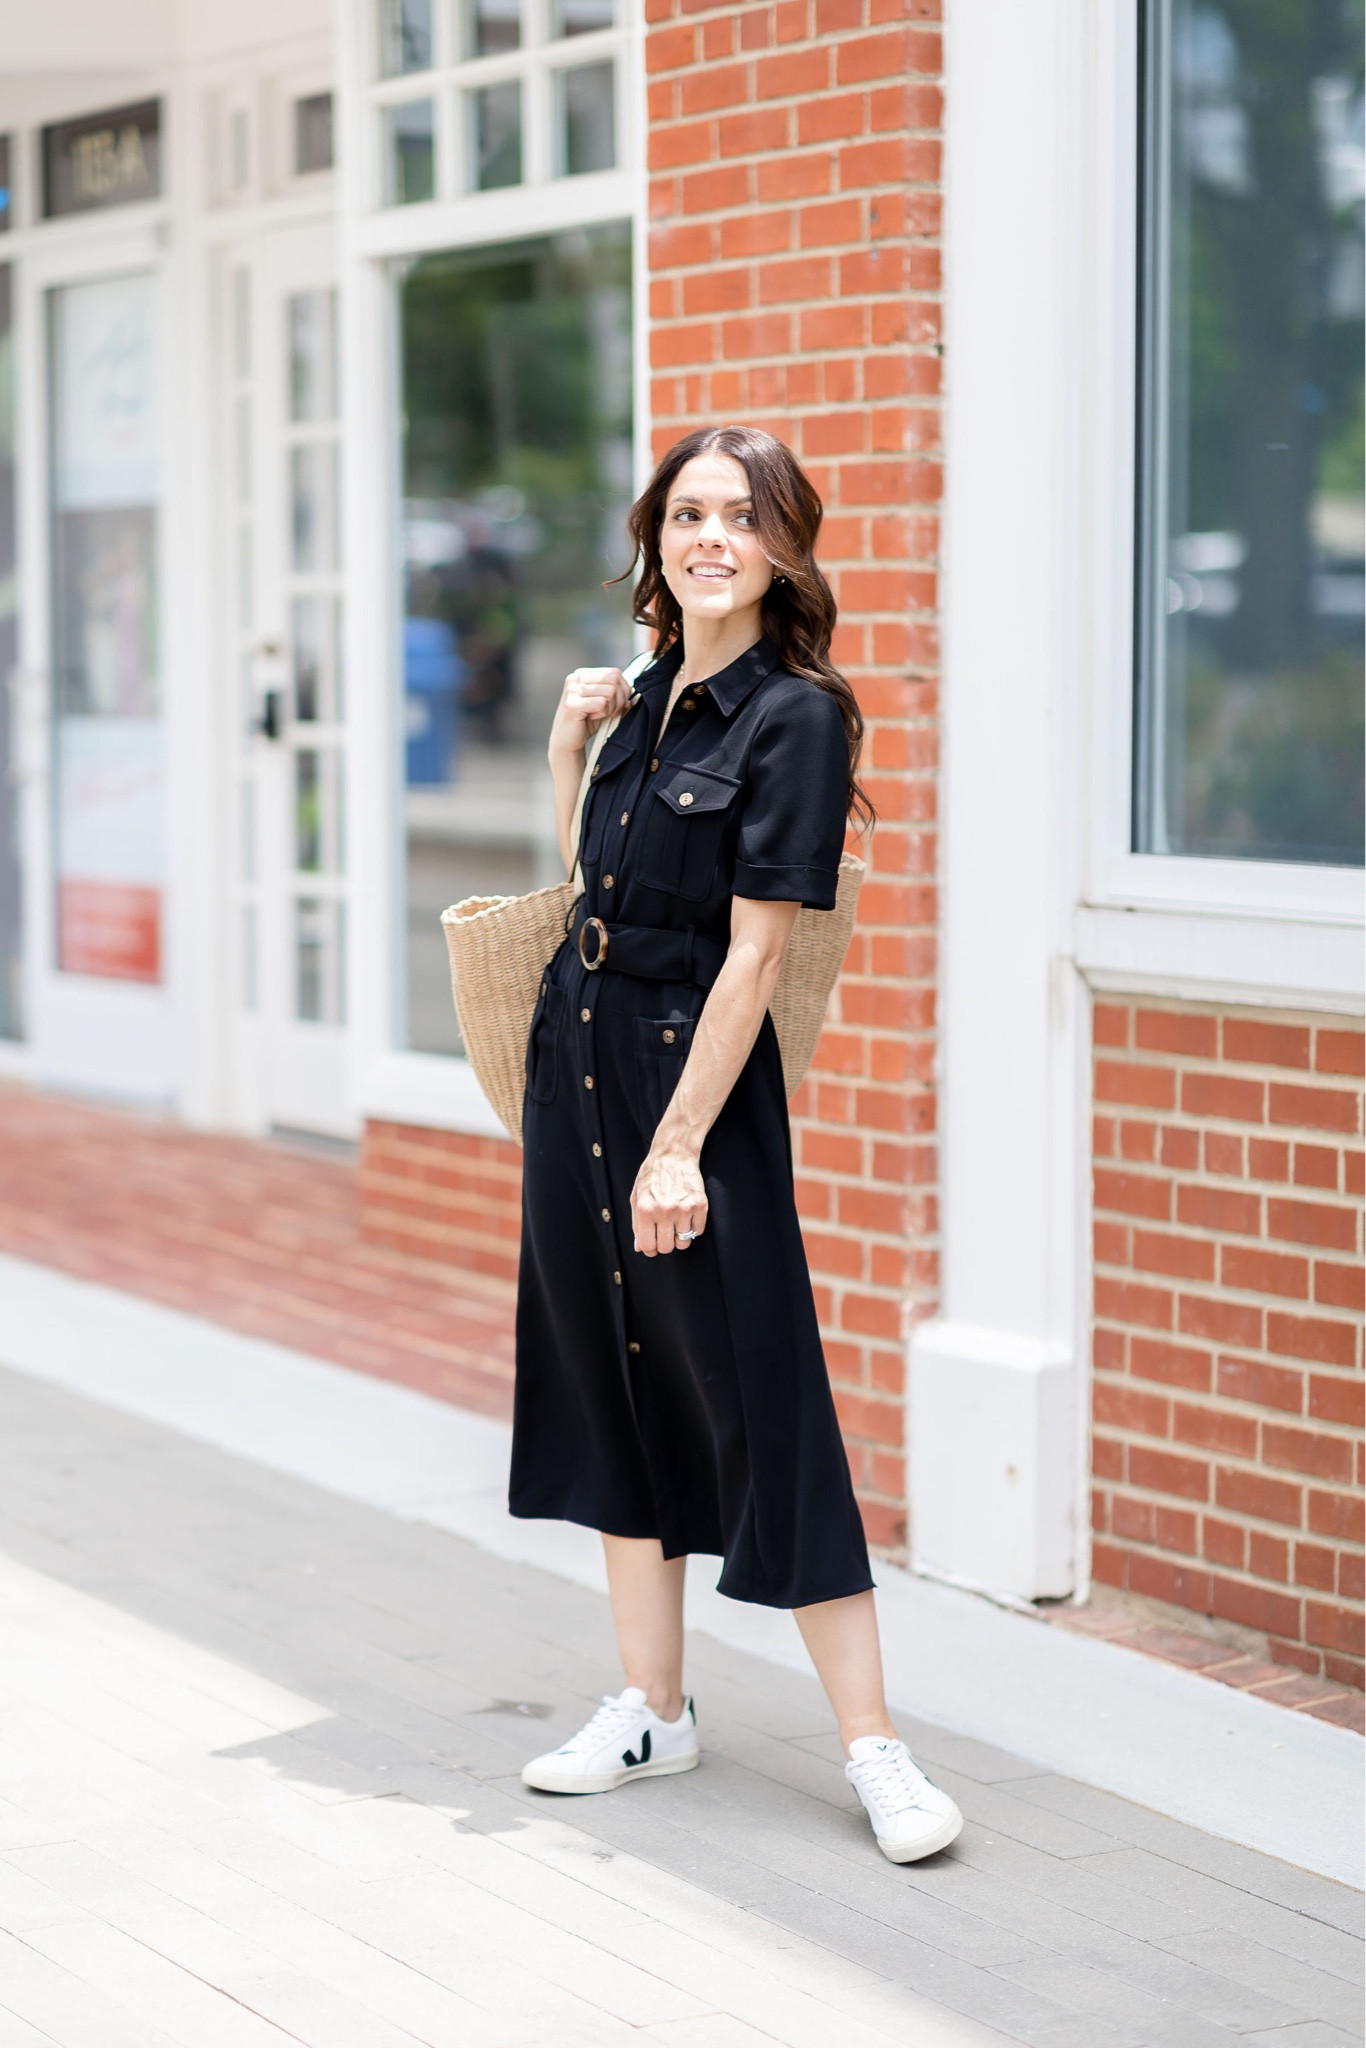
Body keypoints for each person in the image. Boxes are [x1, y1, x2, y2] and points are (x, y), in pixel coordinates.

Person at [511, 425, 962, 1866]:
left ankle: (875, 1749)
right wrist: (565, 745)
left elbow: (754, 958)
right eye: (685, 513)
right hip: (574, 1060)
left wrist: (678, 1148)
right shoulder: (639, 696)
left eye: (737, 515)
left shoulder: (796, 718)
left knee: (761, 1394)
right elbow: (578, 890)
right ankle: (651, 1706)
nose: (707, 536)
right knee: (609, 1381)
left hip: (684, 1096)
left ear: (781, 544)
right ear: (656, 536)